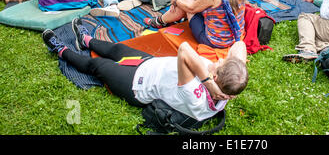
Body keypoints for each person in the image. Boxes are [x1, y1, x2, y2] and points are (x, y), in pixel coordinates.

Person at [42, 18, 248, 121]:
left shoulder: (195, 95)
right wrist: (221, 73)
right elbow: (239, 45)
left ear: (214, 76)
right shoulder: (227, 84)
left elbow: (184, 50)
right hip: (152, 66)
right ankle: (87, 40)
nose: (220, 58)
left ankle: (61, 50)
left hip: (137, 85)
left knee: (97, 66)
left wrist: (207, 83)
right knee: (119, 49)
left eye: (221, 62)